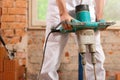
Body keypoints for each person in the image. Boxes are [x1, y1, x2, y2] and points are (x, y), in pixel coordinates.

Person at [40, 0, 105, 80]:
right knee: (52, 56)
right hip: (60, 5)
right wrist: (63, 13)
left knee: (95, 55)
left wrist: (100, 15)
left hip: (86, 6)